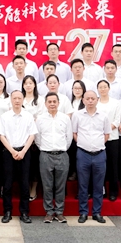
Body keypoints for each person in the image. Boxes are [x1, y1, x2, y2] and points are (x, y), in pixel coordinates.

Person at [0, 91, 38, 224]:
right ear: (11, 99)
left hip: (24, 152)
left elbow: (32, 135)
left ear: (23, 99)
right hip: (8, 152)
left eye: (19, 98)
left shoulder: (28, 116)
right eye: (14, 98)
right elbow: (1, 135)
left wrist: (23, 151)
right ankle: (7, 211)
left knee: (24, 183)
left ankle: (24, 212)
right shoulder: (5, 116)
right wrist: (12, 151)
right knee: (7, 184)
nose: (17, 100)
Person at [72, 90, 111, 224]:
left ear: (97, 100)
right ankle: (83, 212)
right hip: (83, 154)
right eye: (87, 98)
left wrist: (97, 144)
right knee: (83, 185)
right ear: (83, 100)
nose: (90, 101)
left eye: (92, 98)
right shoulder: (77, 115)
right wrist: (83, 144)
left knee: (98, 185)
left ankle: (96, 212)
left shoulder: (103, 116)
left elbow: (106, 134)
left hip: (99, 154)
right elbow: (74, 133)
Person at [35, 92, 73, 223]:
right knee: (47, 185)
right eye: (49, 102)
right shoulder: (40, 119)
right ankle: (49, 212)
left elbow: (69, 138)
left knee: (60, 185)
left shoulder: (65, 118)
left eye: (54, 102)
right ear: (45, 104)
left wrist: (61, 148)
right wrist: (45, 149)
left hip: (62, 155)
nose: (52, 104)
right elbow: (37, 138)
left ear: (58, 103)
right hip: (46, 155)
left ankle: (59, 212)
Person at [96, 80, 121, 201]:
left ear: (109, 88)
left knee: (113, 166)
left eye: (105, 87)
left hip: (112, 138)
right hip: (98, 138)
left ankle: (113, 191)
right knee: (99, 166)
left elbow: (116, 121)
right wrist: (100, 132)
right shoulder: (95, 102)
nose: (103, 89)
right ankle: (101, 190)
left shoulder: (116, 103)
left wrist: (106, 131)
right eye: (100, 87)